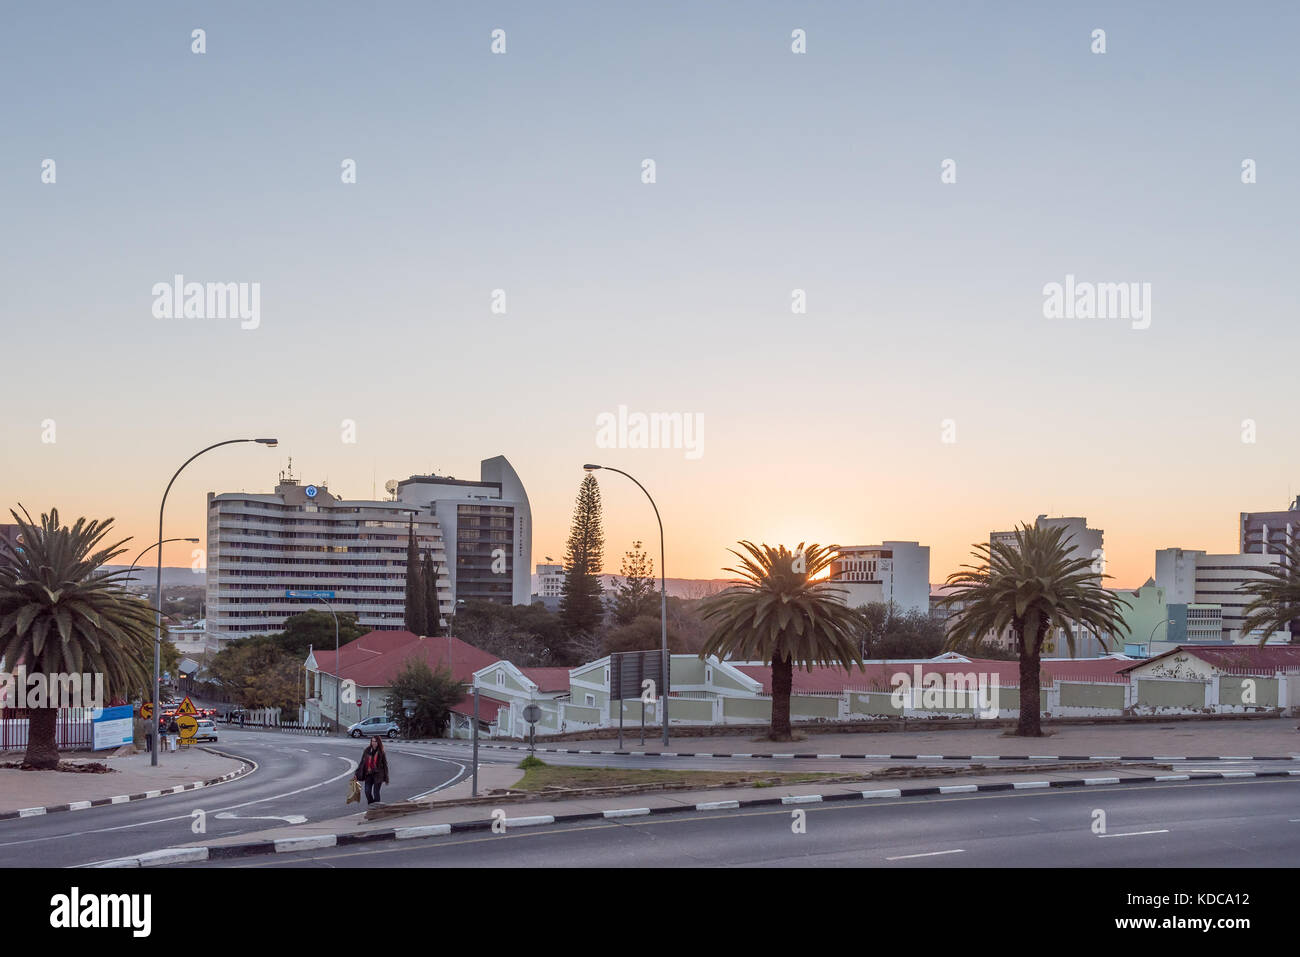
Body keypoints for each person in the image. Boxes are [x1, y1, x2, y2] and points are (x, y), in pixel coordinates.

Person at [355, 736, 389, 805]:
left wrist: (386, 777)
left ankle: (377, 809)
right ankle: (372, 805)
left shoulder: (381, 752)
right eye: (372, 741)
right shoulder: (367, 750)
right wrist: (357, 773)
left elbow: (385, 765)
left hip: (378, 775)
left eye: (375, 741)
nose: (373, 743)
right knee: (367, 791)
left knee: (376, 792)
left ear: (378, 742)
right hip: (369, 774)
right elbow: (362, 763)